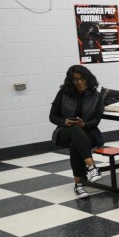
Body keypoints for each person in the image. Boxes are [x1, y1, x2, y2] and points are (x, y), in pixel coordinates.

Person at [49, 65, 105, 198]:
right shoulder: (64, 93)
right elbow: (52, 116)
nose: (79, 82)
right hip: (64, 131)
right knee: (74, 130)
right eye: (75, 80)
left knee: (76, 144)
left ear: (88, 79)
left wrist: (83, 124)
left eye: (82, 79)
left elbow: (96, 120)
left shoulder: (96, 96)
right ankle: (92, 167)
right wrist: (65, 122)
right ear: (70, 81)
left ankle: (78, 185)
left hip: (88, 132)